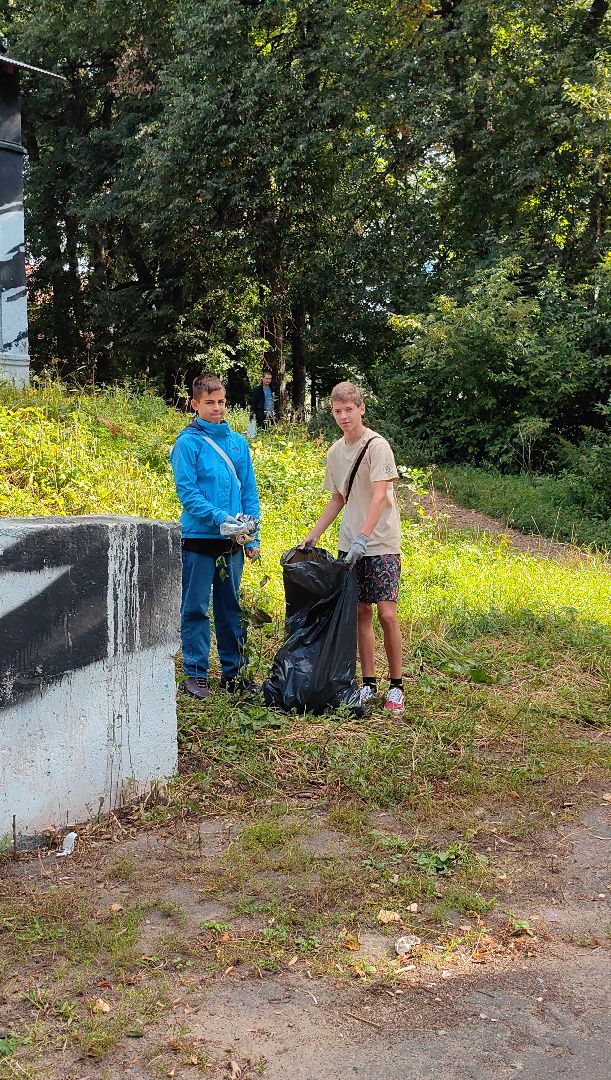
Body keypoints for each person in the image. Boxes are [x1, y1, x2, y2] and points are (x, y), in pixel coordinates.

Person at [301, 381, 404, 713]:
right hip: (350, 545)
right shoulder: (335, 452)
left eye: (349, 410)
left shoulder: (377, 446)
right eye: (337, 411)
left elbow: (380, 495)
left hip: (382, 541)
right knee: (361, 611)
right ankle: (369, 683)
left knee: (387, 614)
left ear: (361, 408)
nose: (344, 416)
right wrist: (314, 534)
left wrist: (364, 536)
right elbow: (338, 498)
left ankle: (397, 686)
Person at [170, 373, 261, 700]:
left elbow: (249, 492)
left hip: (233, 544)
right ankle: (195, 674)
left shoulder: (238, 444)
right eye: (209, 402)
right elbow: (189, 495)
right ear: (195, 404)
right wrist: (223, 519)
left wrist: (252, 536)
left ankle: (234, 674)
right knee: (195, 609)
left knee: (231, 608)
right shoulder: (187, 444)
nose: (217, 408)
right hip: (198, 540)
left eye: (221, 401)